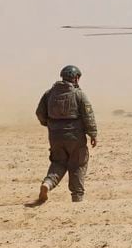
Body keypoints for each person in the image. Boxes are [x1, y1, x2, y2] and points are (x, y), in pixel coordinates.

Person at [34, 65, 98, 203]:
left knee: (58, 162)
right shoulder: (79, 94)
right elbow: (88, 115)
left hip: (55, 136)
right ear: (76, 78)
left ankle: (48, 183)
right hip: (75, 136)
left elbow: (40, 113)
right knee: (78, 164)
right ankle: (77, 197)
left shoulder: (49, 94)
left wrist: (50, 124)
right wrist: (93, 134)